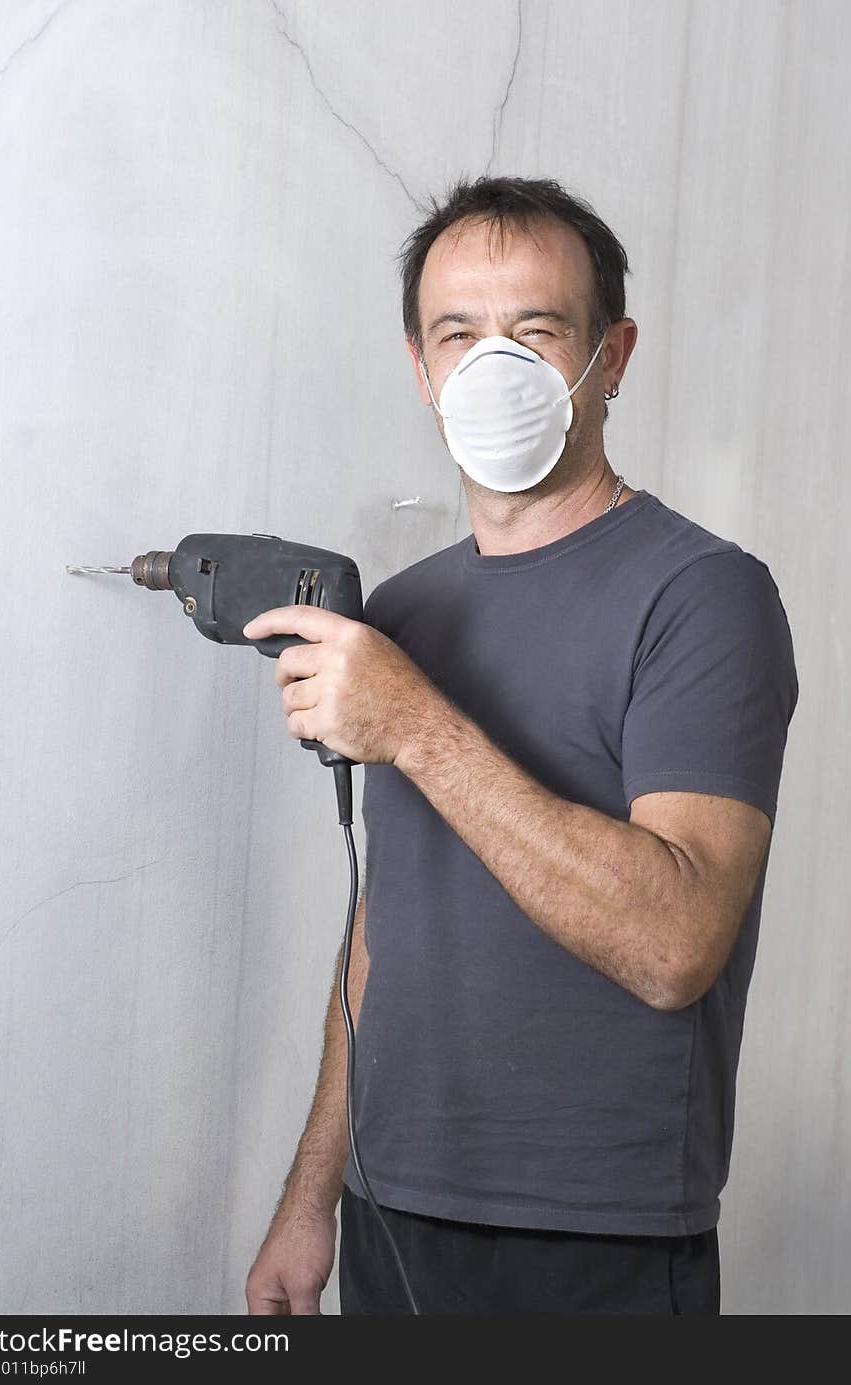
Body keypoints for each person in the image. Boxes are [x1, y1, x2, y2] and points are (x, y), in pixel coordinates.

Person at [242, 176, 799, 1316]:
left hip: (596, 1235)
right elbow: (383, 928)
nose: (491, 366)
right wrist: (311, 1198)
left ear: (612, 354)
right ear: (420, 367)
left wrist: (416, 725)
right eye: (458, 333)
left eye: (534, 330)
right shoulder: (397, 616)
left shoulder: (703, 597)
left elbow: (674, 941)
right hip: (389, 1217)